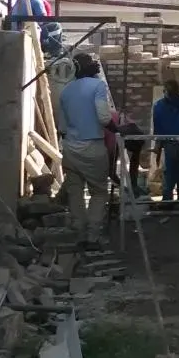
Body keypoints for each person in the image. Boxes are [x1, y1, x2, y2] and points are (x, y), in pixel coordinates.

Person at [58, 53, 116, 247]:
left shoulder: (65, 91)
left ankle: (79, 232)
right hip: (92, 147)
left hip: (70, 149)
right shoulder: (98, 86)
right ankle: (93, 235)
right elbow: (104, 118)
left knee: (75, 192)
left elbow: (63, 127)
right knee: (99, 192)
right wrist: (116, 128)